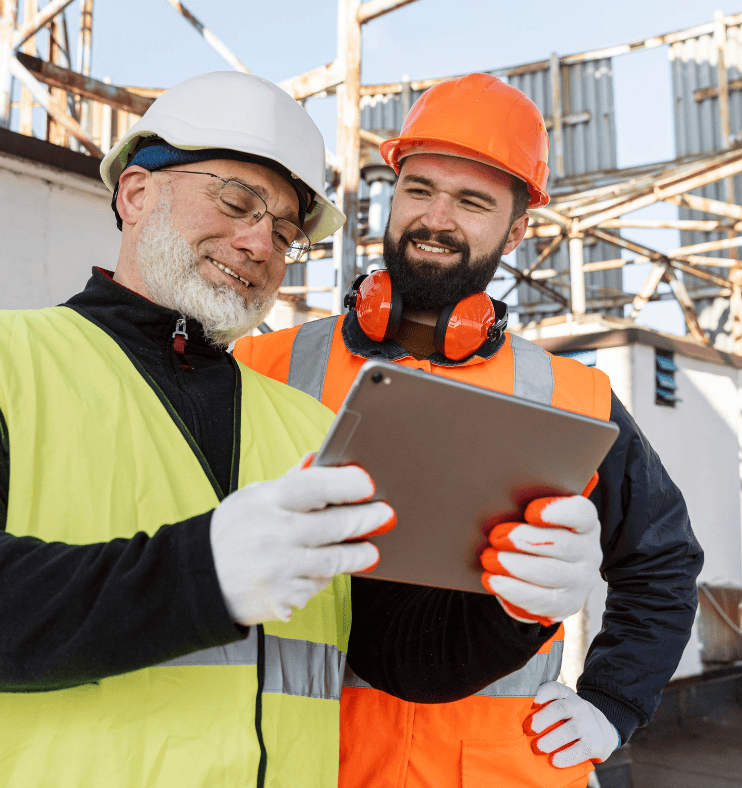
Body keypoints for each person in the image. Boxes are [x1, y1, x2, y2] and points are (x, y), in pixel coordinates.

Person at [0, 72, 598, 788]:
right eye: (237, 201)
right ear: (137, 194)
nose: (260, 241)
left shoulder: (304, 422)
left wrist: (513, 604)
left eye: (287, 230)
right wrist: (200, 576)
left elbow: (397, 653)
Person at [234, 72, 705, 787]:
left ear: (517, 229)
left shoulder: (572, 394)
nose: (436, 217)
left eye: (473, 201)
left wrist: (614, 701)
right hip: (308, 764)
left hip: (498, 771)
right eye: (418, 190)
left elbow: (661, 561)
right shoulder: (266, 364)